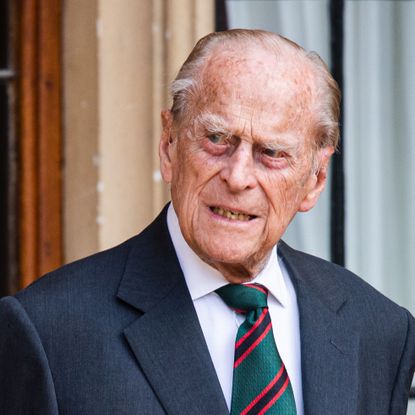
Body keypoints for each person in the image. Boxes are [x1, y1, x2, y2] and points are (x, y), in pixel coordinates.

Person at [1, 29, 414, 415]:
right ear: (169, 145)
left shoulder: (379, 331)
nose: (237, 177)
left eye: (271, 152)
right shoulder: (49, 332)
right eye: (217, 139)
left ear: (315, 179)